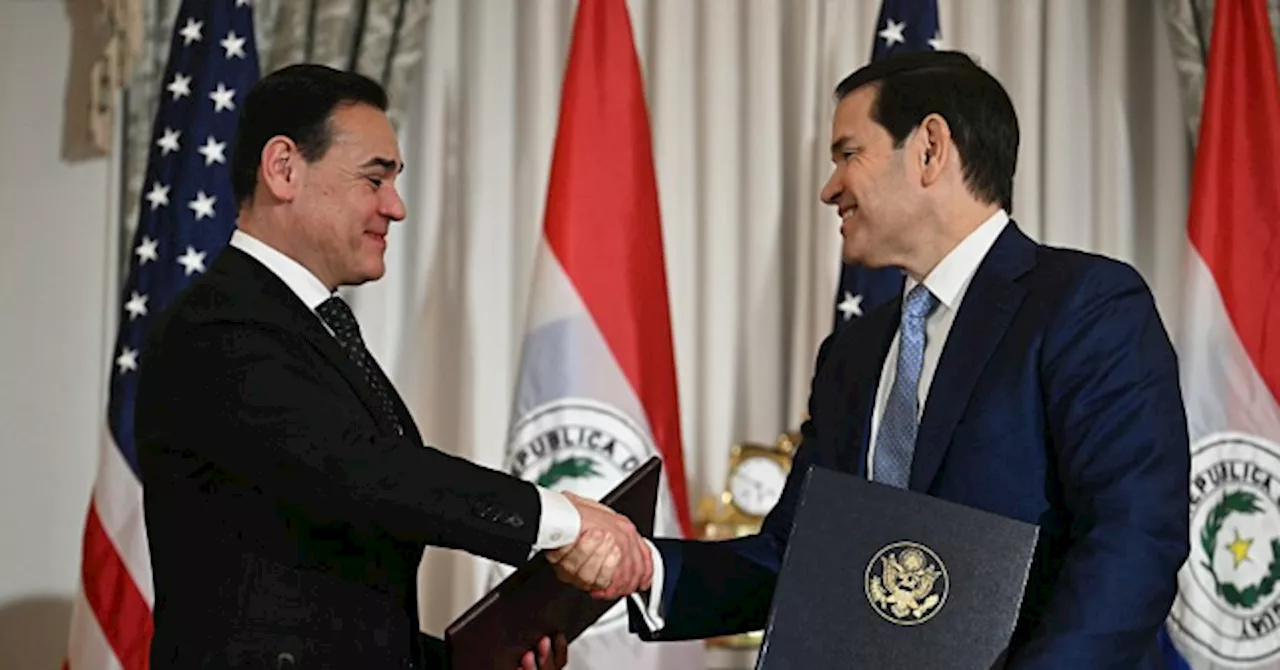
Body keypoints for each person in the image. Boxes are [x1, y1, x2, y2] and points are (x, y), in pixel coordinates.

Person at [557, 50, 1192, 668]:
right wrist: (647, 567)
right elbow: (803, 558)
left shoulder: (1085, 306)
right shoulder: (853, 354)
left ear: (930, 149)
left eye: (848, 154)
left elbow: (1134, 539)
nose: (829, 188)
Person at [135, 63, 651, 670]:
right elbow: (369, 474)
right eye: (373, 178)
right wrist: (558, 519)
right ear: (284, 168)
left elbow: (339, 604)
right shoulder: (217, 327)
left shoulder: (312, 327)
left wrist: (474, 661)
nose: (396, 207)